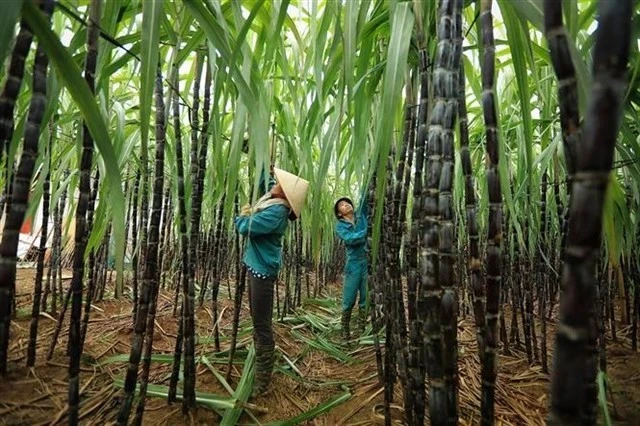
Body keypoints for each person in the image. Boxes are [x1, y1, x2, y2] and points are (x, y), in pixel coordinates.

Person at [234, 167, 309, 398]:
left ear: (285, 194)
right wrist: (261, 157)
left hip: (262, 271)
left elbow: (246, 228)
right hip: (256, 265)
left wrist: (242, 216)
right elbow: (264, 181)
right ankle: (261, 358)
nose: (275, 183)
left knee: (261, 325)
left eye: (279, 183)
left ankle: (263, 378)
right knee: (259, 321)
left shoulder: (276, 213)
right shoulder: (273, 199)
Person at [334, 188, 369, 342]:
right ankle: (344, 331)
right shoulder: (340, 226)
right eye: (342, 205)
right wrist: (367, 233)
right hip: (353, 264)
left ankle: (362, 330)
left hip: (367, 261)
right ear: (340, 214)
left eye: (347, 202)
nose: (346, 204)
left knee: (366, 298)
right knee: (349, 300)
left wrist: (370, 174)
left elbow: (365, 196)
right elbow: (350, 240)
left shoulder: (361, 215)